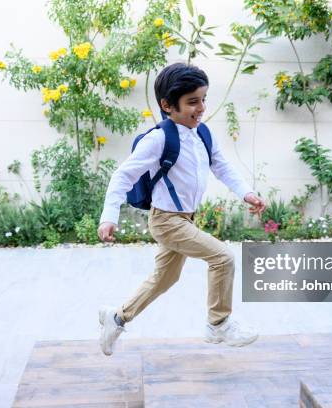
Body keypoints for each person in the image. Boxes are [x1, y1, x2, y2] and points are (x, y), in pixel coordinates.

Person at [97, 62, 266, 356]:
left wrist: (247, 193)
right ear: (167, 105)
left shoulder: (203, 134)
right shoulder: (159, 138)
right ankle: (219, 323)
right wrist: (109, 216)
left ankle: (117, 318)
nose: (201, 108)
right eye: (192, 102)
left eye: (203, 99)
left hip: (185, 219)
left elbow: (222, 167)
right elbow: (123, 175)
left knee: (165, 278)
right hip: (166, 221)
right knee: (223, 258)